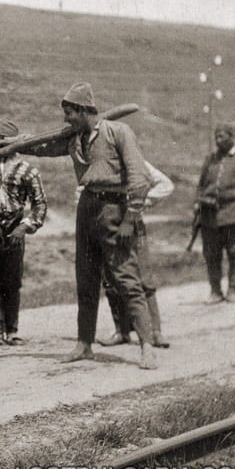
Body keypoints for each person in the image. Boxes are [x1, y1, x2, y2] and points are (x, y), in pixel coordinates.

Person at [25, 82, 157, 370]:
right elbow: (43, 147)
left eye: (69, 112)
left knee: (126, 278)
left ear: (85, 110)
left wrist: (129, 219)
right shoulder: (74, 138)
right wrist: (15, 143)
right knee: (85, 278)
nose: (65, 118)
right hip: (86, 209)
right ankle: (84, 344)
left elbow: (139, 179)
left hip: (114, 210)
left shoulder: (118, 133)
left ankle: (147, 345)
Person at [0, 118, 48, 347]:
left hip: (14, 227)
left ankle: (13, 330)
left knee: (12, 280)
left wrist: (24, 227)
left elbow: (40, 204)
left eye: (0, 142)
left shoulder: (26, 170)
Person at [97, 161, 173, 347]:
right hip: (105, 225)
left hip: (132, 225)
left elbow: (165, 185)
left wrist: (142, 202)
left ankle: (155, 331)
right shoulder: (98, 161)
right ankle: (122, 331)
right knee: (111, 279)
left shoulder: (133, 160)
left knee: (143, 278)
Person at [196, 123, 235, 304]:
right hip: (209, 218)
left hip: (233, 217)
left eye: (222, 137)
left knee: (234, 253)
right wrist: (197, 204)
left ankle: (233, 289)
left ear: (232, 137)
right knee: (211, 255)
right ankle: (215, 291)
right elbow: (200, 186)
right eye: (216, 137)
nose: (218, 140)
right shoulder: (210, 160)